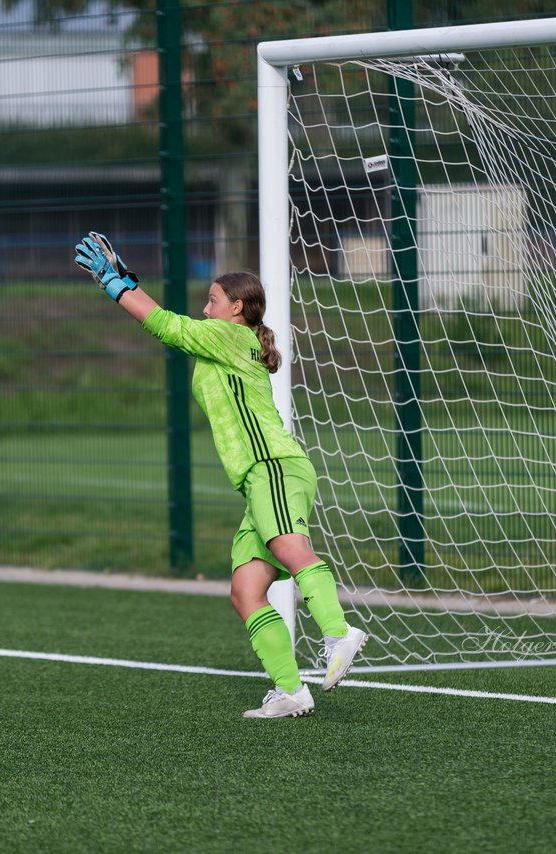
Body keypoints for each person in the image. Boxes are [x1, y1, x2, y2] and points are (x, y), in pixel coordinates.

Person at [74, 232, 367, 719]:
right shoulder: (229, 340)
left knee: (289, 548)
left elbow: (166, 326)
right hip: (260, 477)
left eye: (212, 300)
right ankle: (291, 690)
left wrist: (113, 284)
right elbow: (175, 326)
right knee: (245, 591)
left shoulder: (230, 336)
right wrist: (125, 279)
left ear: (236, 309)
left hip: (273, 466)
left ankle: (339, 632)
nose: (205, 308)